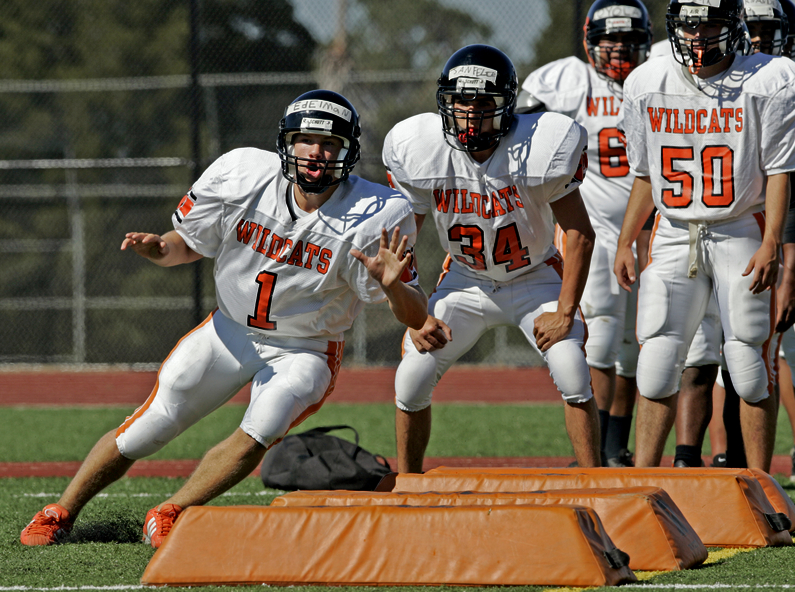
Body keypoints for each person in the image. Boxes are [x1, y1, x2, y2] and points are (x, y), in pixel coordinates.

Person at [20, 90, 429, 548]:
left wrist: (395, 285)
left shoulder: (380, 213)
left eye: (330, 143)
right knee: (148, 426)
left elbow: (414, 316)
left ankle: (173, 511)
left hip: (306, 346)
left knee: (265, 423)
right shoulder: (242, 173)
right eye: (306, 140)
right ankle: (61, 510)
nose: (317, 152)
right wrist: (160, 249)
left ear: (348, 151)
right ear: (286, 143)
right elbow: (190, 243)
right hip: (229, 329)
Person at [383, 44, 601, 473]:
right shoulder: (422, 150)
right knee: (410, 381)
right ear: (445, 104)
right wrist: (416, 316)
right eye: (461, 101)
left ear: (507, 107)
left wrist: (566, 310)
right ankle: (408, 483)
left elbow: (579, 234)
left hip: (534, 276)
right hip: (464, 280)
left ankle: (596, 481)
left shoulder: (540, 147)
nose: (471, 112)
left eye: (484, 102)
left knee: (573, 371)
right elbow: (400, 249)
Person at [614, 0, 795, 472]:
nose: (698, 36)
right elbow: (644, 174)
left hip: (740, 227)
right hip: (674, 230)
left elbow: (779, 172)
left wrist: (772, 239)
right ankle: (643, 485)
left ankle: (761, 484)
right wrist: (625, 239)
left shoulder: (768, 80)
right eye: (689, 26)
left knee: (750, 366)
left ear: (732, 27)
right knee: (656, 364)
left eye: (710, 24)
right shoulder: (648, 83)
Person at [515, 0, 653, 467]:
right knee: (601, 338)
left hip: (654, 224)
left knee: (639, 347)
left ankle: (615, 445)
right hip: (591, 222)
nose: (618, 50)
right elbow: (520, 136)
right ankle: (597, 450)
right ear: (588, 43)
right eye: (609, 41)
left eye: (628, 41)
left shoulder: (658, 79)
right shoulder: (563, 81)